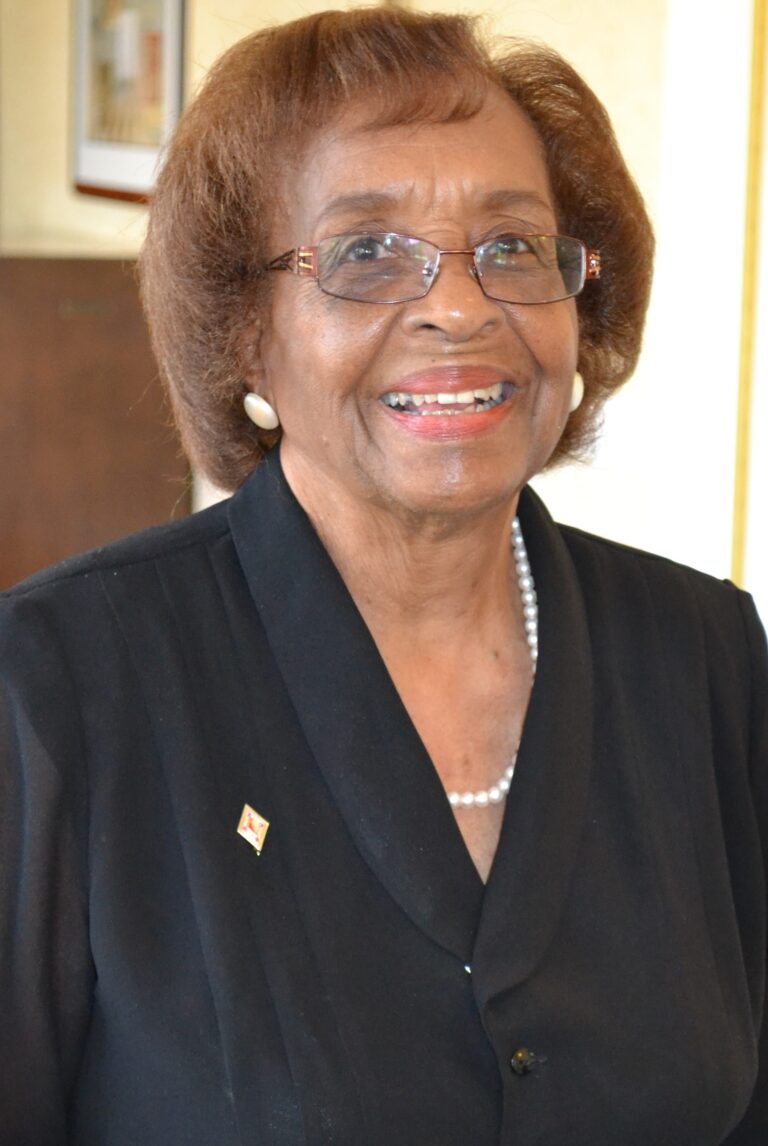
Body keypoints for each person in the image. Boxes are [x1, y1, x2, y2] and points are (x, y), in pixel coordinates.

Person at [1, 7, 766, 1144]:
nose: (460, 307)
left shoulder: (705, 649)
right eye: (366, 253)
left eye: (512, 245)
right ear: (244, 334)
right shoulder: (55, 687)